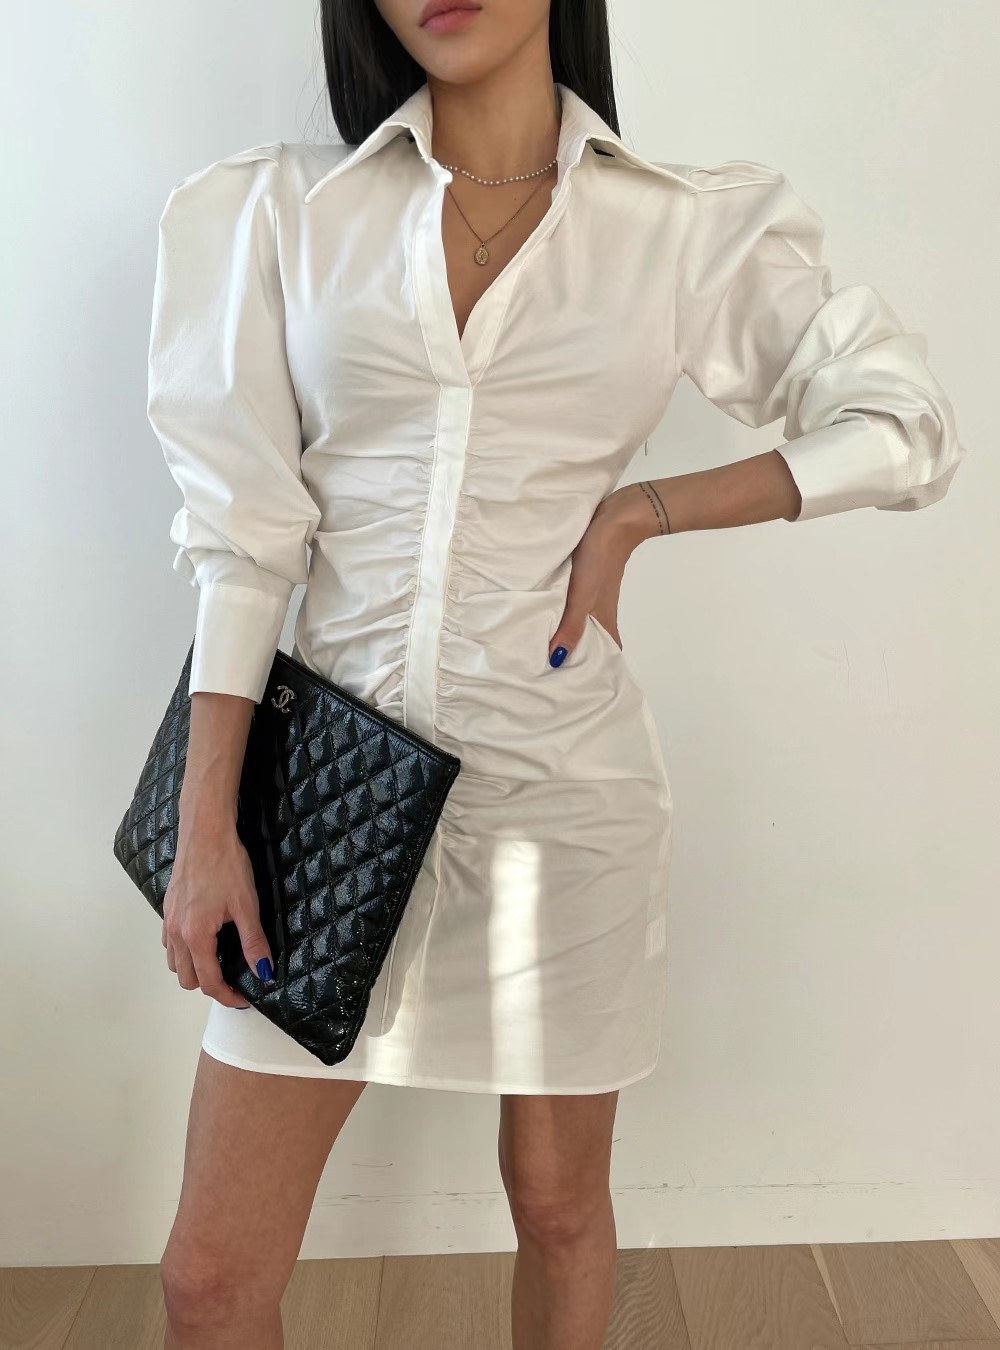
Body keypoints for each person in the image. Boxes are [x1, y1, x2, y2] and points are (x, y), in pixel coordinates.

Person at [145, 0, 965, 1346]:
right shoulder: (284, 213)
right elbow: (245, 542)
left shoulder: (678, 227)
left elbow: (904, 425)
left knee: (560, 1208)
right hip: (323, 815)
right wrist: (204, 825)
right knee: (210, 1280)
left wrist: (645, 510)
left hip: (562, 803)